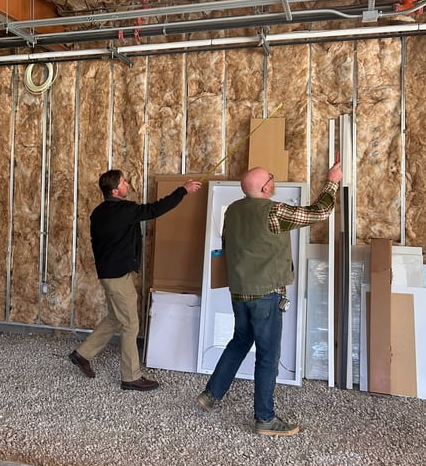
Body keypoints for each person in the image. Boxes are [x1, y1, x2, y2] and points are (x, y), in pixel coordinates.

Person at [196, 160, 343, 436]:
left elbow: (228, 246)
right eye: (271, 179)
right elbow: (320, 212)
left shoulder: (233, 212)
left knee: (239, 341)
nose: (273, 182)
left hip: (240, 292)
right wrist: (332, 180)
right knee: (267, 356)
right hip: (266, 295)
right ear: (265, 187)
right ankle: (265, 418)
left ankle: (211, 395)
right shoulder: (274, 211)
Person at [69, 169, 201, 390]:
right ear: (115, 190)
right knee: (130, 324)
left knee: (116, 317)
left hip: (109, 275)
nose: (127, 184)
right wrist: (183, 191)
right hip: (117, 277)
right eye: (123, 182)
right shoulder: (124, 210)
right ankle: (130, 376)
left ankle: (82, 354)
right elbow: (156, 209)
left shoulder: (99, 212)